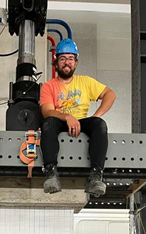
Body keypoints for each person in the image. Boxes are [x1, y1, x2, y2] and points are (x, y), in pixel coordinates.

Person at [40, 38, 116, 195]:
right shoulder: (48, 86)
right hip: (60, 121)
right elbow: (47, 111)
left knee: (99, 124)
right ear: (56, 63)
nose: (66, 62)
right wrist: (67, 117)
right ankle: (51, 173)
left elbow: (110, 94)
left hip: (83, 121)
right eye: (62, 58)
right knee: (48, 123)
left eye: (70, 58)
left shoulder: (86, 82)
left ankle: (96, 176)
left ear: (76, 62)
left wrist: (96, 116)